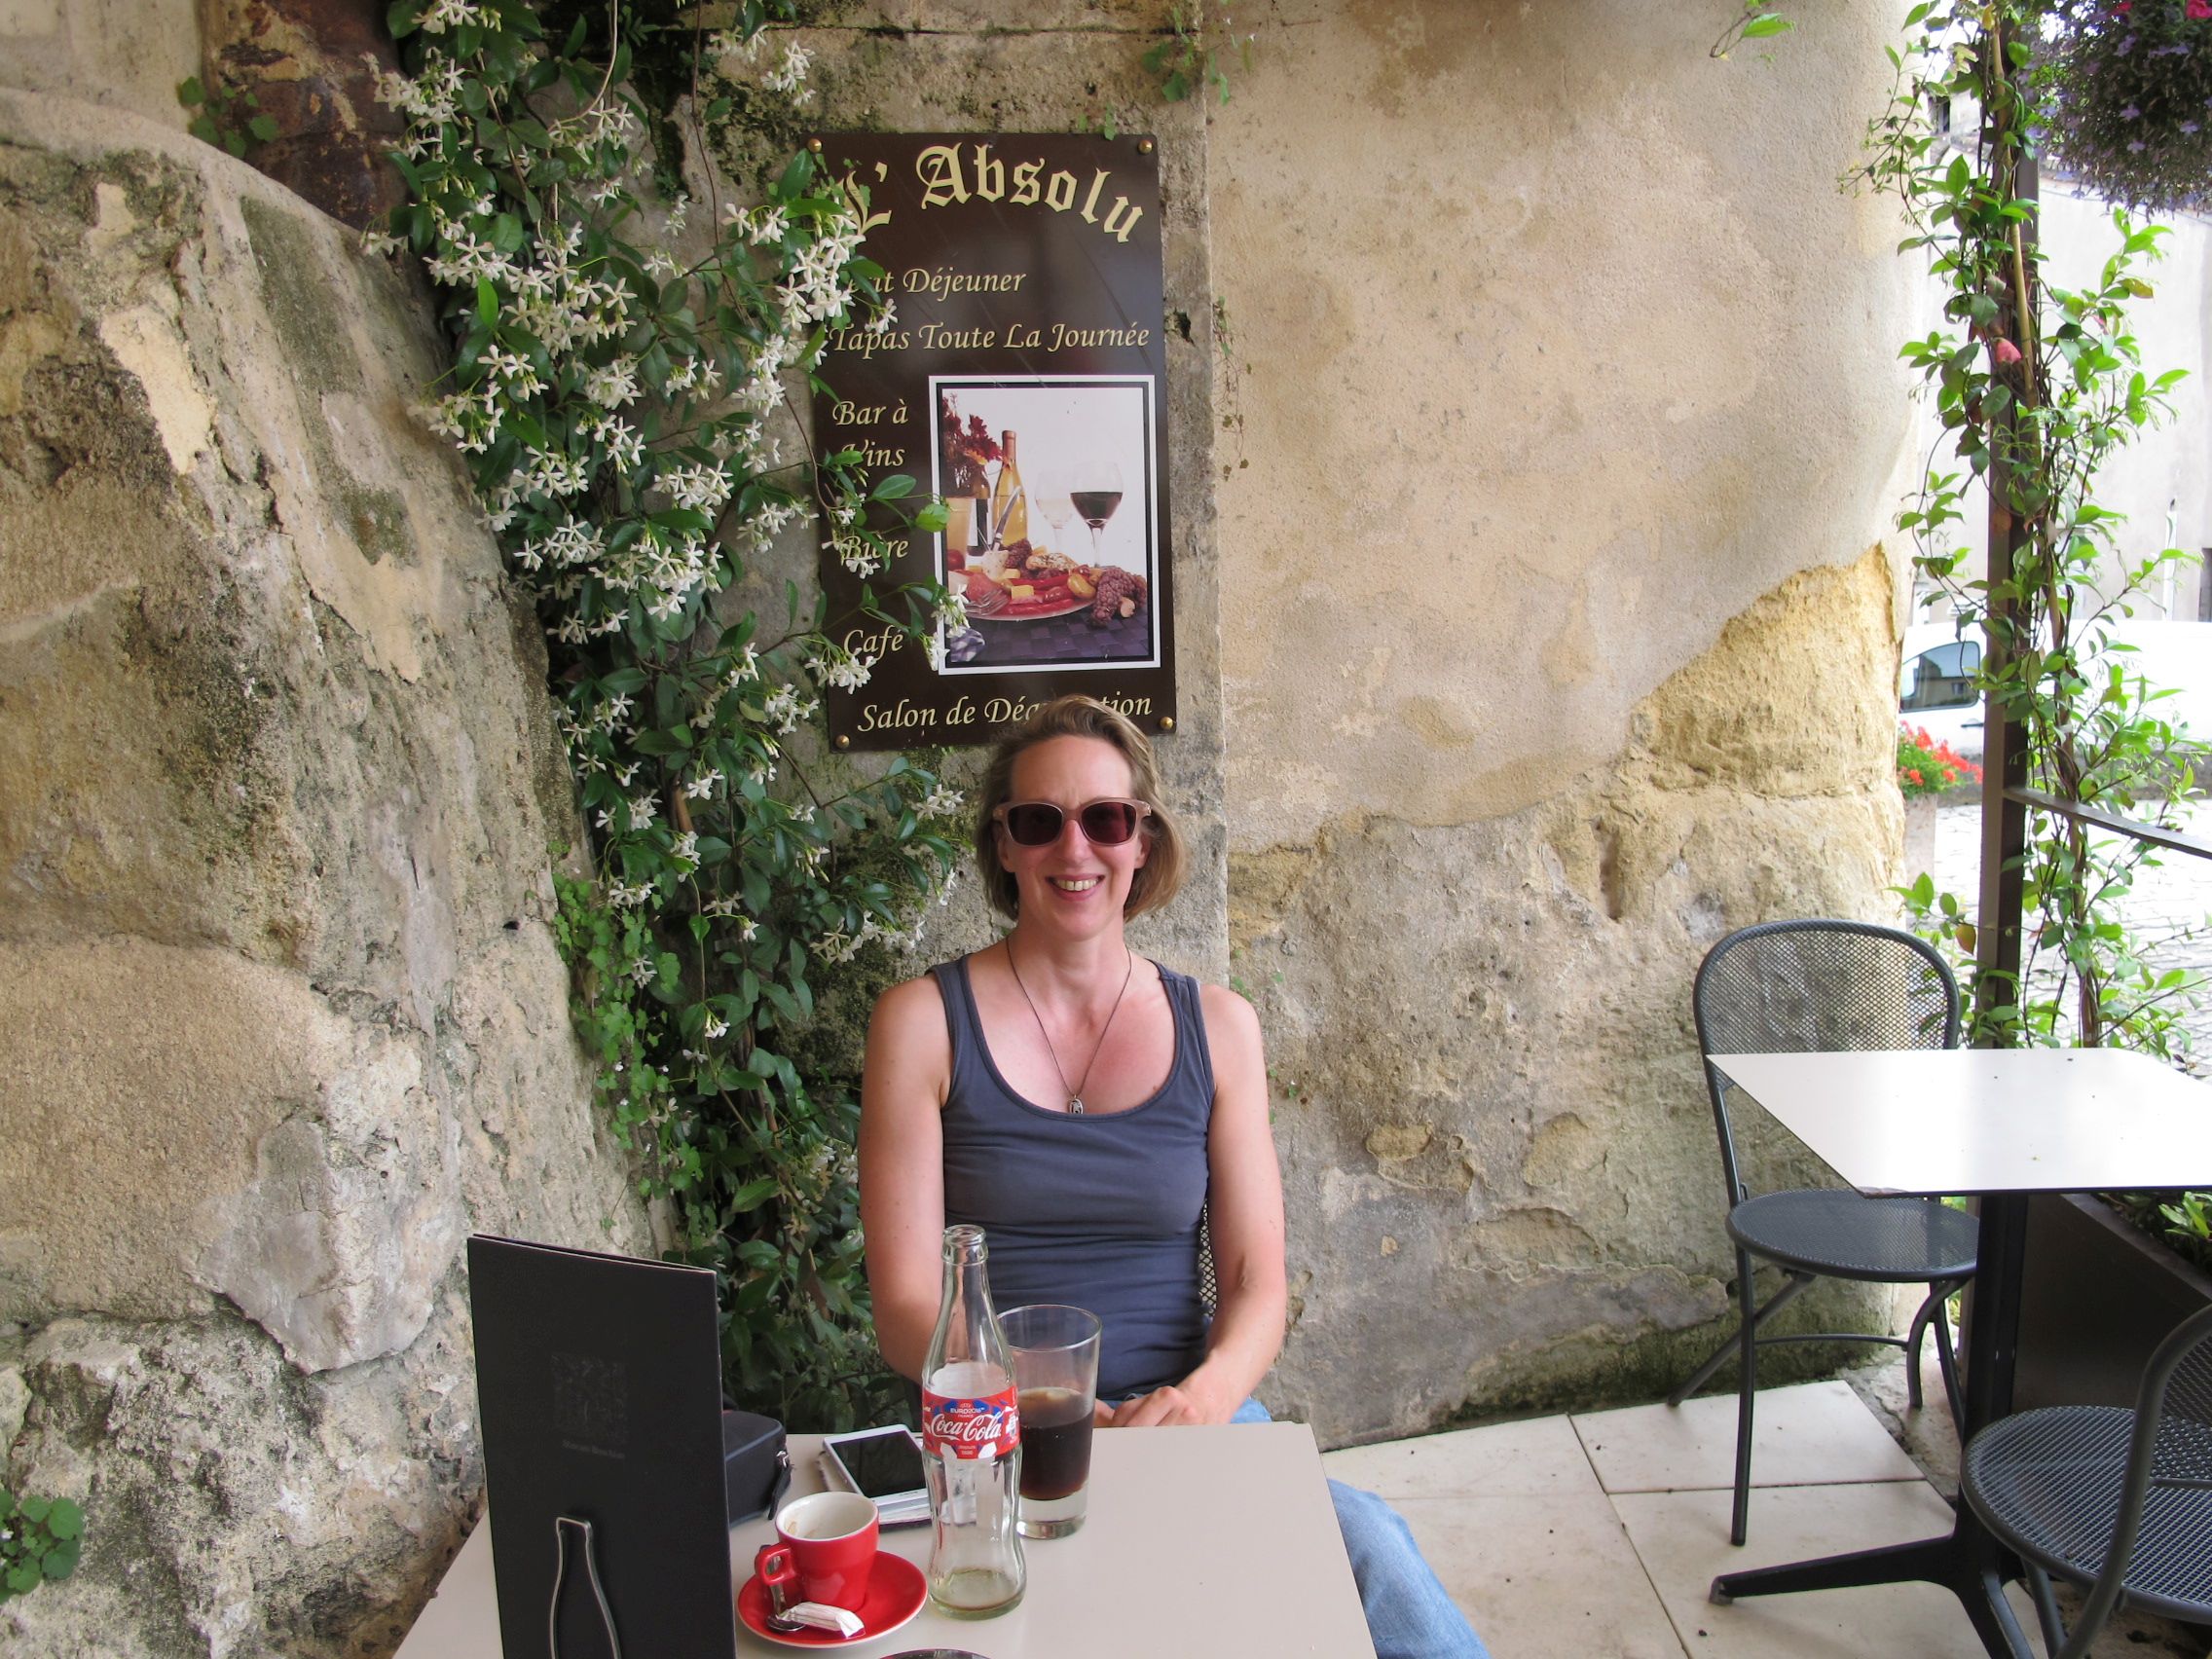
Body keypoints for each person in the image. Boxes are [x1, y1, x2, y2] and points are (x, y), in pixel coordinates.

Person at [860, 694, 1489, 1659]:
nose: (1076, 849)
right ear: (1005, 845)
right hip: (993, 1424)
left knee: (1370, 1553)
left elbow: (1255, 1283)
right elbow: (906, 1307)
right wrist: (1045, 1405)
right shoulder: (922, 1023)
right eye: (1041, 821)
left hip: (1185, 1411)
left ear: (1143, 840)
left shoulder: (1220, 1029)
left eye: (1107, 819)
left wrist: (1196, 1406)